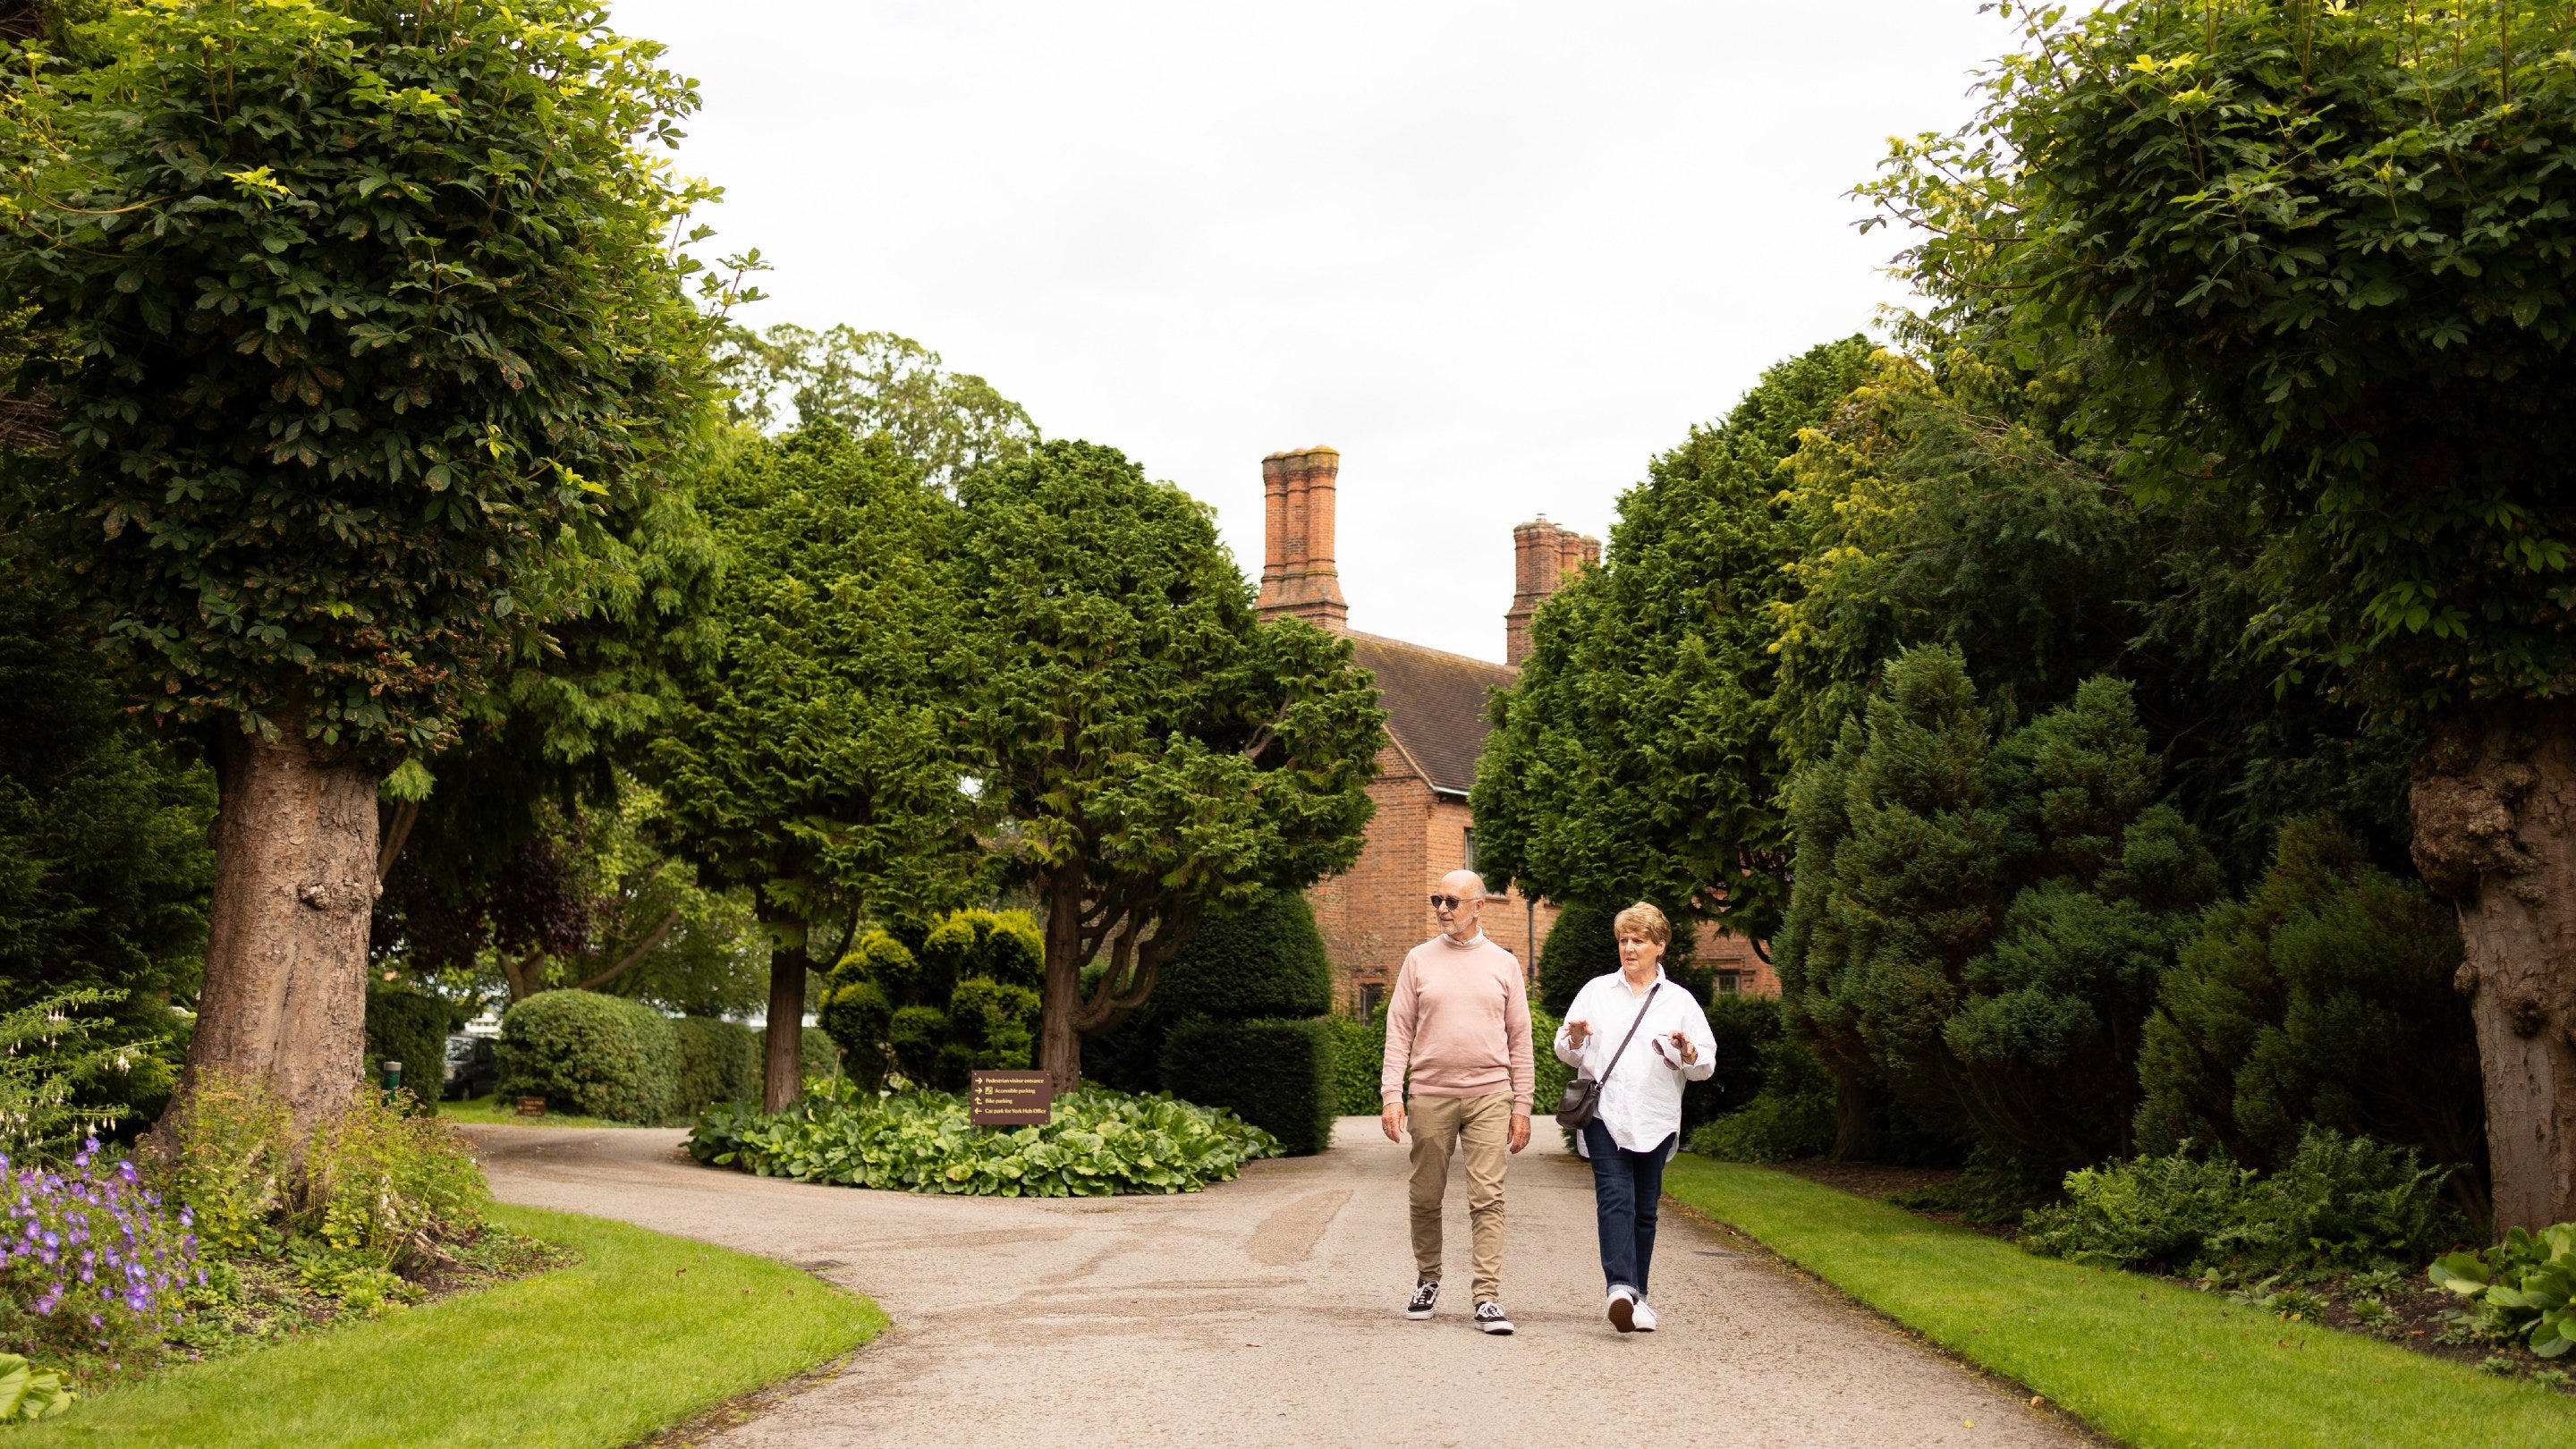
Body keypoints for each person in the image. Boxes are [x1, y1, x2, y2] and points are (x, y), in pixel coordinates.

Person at [1380, 869, 1534, 1335]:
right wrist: (1392, 1095)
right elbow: (1398, 1031)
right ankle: (1428, 1279)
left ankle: (1487, 1298)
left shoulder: (1505, 964)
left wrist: (1522, 1105)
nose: (1443, 910)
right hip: (1431, 1093)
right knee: (1425, 1194)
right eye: (1437, 901)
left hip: (1490, 1093)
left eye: (1452, 901)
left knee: (1487, 1196)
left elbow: (1520, 1038)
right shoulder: (1418, 960)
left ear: (1479, 906)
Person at [1554, 901, 1714, 1333]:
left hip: (1656, 1117)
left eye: (1638, 940)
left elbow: (1705, 1065)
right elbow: (1565, 1050)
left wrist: (1688, 1052)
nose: (1628, 948)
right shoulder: (1596, 991)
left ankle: (1637, 1297)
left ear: (1659, 946)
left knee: (1645, 1209)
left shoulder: (1679, 1001)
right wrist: (1575, 1037)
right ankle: (1619, 1288)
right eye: (1623, 940)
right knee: (1615, 1199)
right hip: (1606, 1114)